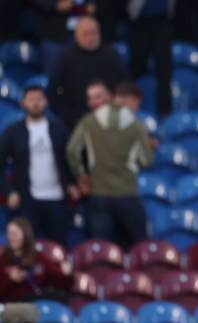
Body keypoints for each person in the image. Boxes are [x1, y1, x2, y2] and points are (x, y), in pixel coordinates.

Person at [66, 81, 153, 249]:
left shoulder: (89, 121)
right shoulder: (136, 125)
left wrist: (82, 175)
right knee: (139, 246)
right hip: (127, 193)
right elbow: (146, 161)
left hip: (98, 194)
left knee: (101, 248)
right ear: (129, 100)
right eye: (136, 103)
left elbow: (71, 150)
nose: (137, 107)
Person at [0, 86, 79, 246]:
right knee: (26, 248)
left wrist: (71, 183)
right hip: (27, 199)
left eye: (39, 99)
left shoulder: (59, 129)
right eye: (31, 100)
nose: (36, 103)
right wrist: (9, 192)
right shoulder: (12, 132)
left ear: (46, 102)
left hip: (57, 197)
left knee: (58, 247)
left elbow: (70, 160)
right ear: (23, 103)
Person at [48, 16, 127, 130]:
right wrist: (66, 116)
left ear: (99, 33)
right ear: (76, 36)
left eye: (93, 33)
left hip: (109, 119)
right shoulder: (65, 57)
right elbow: (53, 90)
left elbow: (124, 86)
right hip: (74, 120)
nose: (90, 38)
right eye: (85, 34)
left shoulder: (112, 55)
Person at [0, 218, 73, 303]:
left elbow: (60, 283)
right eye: (9, 233)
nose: (10, 238)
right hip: (14, 305)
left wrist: (66, 274)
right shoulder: (3, 260)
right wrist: (10, 279)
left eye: (14, 234)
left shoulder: (38, 257)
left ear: (25, 234)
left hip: (38, 302)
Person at [126, 0, 175, 118]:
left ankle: (164, 112)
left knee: (164, 68)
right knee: (137, 67)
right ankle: (130, 107)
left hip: (162, 20)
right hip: (139, 22)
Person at [29, 0, 97, 75]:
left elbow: (91, 7)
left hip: (81, 34)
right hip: (54, 36)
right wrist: (54, 4)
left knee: (82, 74)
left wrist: (90, 4)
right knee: (53, 75)